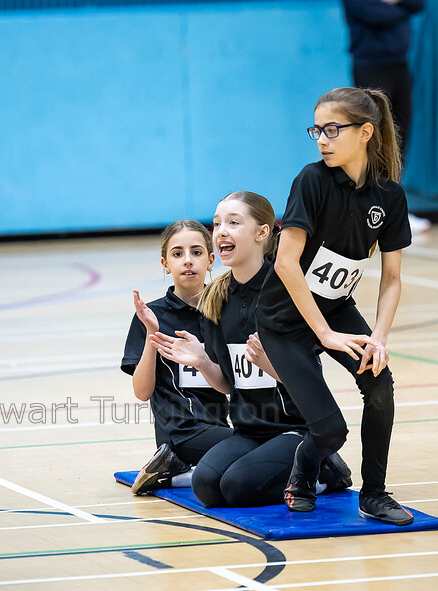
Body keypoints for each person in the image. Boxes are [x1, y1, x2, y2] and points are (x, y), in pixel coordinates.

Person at [257, 87, 413, 525]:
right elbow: (286, 265)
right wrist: (323, 333)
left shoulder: (390, 196)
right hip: (284, 321)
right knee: (329, 430)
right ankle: (303, 473)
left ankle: (375, 495)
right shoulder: (311, 180)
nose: (322, 139)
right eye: (317, 130)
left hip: (337, 309)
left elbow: (393, 278)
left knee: (380, 387)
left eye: (332, 130)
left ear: (365, 132)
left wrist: (378, 337)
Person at [149, 192, 351, 508]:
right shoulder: (216, 298)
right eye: (216, 224)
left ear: (261, 233)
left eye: (233, 223)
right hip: (249, 430)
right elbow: (229, 384)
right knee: (206, 486)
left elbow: (310, 380)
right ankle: (297, 470)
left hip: (294, 429)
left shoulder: (287, 291)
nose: (221, 232)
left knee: (238, 486)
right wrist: (202, 361)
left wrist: (273, 366)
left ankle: (322, 473)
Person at [121, 220, 231, 494]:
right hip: (180, 433)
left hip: (221, 426)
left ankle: (176, 474)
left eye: (196, 252)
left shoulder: (226, 313)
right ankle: (175, 465)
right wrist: (152, 334)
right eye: (177, 254)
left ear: (211, 260)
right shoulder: (152, 315)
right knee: (256, 451)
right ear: (165, 264)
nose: (188, 261)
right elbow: (142, 392)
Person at [342, 0, 431, 234]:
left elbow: (418, 4)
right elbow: (378, 15)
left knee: (400, 137)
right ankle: (367, 209)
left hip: (400, 65)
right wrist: (397, 7)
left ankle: (393, 209)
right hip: (370, 66)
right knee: (373, 139)